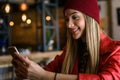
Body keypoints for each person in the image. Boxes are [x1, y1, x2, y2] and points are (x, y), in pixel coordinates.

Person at [11, 0, 120, 79]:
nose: (69, 25)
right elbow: (45, 71)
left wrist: (46, 76)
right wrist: (29, 72)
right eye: (67, 19)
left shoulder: (115, 51)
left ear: (90, 18)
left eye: (75, 17)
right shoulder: (69, 52)